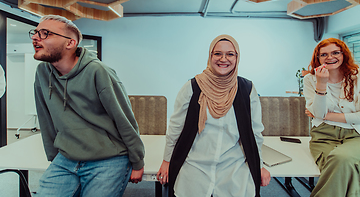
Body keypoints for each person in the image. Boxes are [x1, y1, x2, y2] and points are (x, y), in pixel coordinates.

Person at [30, 15, 145, 197]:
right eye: (35, 33)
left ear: (70, 43)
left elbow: (124, 120)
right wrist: (53, 157)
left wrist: (137, 161)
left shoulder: (98, 71)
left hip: (108, 158)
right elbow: (45, 118)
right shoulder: (42, 72)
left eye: (45, 34)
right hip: (66, 158)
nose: (35, 37)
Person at [156, 34, 271, 197]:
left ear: (237, 57)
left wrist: (258, 165)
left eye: (230, 54)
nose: (223, 59)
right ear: (210, 56)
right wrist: (167, 161)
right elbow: (175, 128)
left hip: (234, 167)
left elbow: (255, 132)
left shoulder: (247, 89)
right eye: (217, 53)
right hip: (195, 166)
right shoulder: (192, 87)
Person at [303, 38, 360, 197]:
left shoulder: (358, 76)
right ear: (318, 58)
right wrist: (321, 84)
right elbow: (319, 115)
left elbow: (321, 114)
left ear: (344, 54)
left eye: (335, 52)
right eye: (324, 54)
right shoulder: (310, 79)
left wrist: (328, 116)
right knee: (345, 169)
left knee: (340, 158)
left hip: (356, 135)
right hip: (323, 136)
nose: (330, 57)